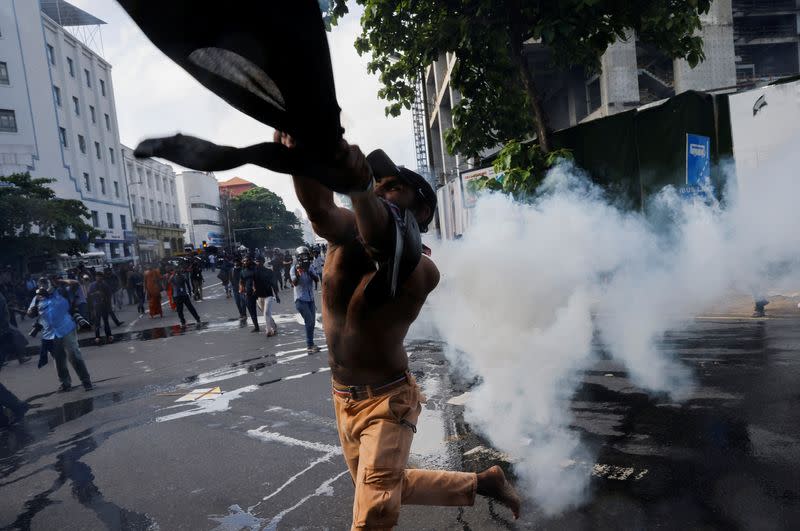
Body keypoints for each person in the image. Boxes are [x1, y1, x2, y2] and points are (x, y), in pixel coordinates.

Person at [276, 130, 520, 527]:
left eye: (393, 188)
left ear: (421, 211)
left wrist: (361, 190)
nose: (381, 189)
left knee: (373, 511)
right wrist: (297, 157)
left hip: (387, 403)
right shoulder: (346, 233)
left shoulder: (424, 271)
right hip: (342, 398)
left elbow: (385, 240)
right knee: (383, 485)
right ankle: (482, 483)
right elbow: (320, 210)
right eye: (378, 184)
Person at [27, 277, 93, 392]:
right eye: (41, 284)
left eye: (45, 283)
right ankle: (65, 383)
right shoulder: (37, 298)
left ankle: (86, 381)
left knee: (73, 354)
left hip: (66, 329)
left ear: (51, 284)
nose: (43, 286)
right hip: (50, 333)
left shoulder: (62, 292)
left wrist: (61, 281)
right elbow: (30, 313)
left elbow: (76, 284)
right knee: (58, 359)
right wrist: (31, 311)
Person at [289, 246, 320, 353]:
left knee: (312, 323)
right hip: (300, 299)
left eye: (306, 255)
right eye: (302, 255)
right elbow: (294, 283)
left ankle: (311, 343)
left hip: (311, 299)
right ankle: (309, 345)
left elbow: (317, 279)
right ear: (298, 257)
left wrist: (309, 272)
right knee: (310, 322)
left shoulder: (310, 266)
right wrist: (299, 272)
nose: (305, 257)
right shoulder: (294, 268)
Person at [254, 256, 280, 337]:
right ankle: (274, 326)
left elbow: (274, 284)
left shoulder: (268, 272)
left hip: (268, 295)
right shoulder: (254, 272)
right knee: (266, 313)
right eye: (256, 261)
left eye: (259, 261)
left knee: (266, 312)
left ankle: (268, 330)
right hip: (258, 296)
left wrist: (277, 295)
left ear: (263, 262)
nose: (257, 263)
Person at [88, 272, 113, 345]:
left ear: (102, 277)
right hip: (96, 306)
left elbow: (109, 295)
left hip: (104, 305)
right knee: (97, 322)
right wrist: (96, 293)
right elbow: (89, 295)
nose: (99, 278)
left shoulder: (105, 285)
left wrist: (109, 305)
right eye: (97, 276)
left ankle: (109, 335)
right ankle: (97, 336)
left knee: (106, 322)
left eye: (100, 276)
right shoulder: (92, 285)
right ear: (95, 277)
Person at [239, 256, 260, 332]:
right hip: (248, 294)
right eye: (244, 261)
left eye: (247, 261)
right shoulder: (242, 271)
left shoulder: (255, 269)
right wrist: (242, 290)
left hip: (259, 292)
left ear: (250, 261)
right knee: (252, 311)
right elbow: (241, 282)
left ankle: (272, 323)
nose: (245, 262)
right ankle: (256, 327)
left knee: (265, 310)